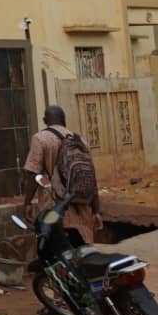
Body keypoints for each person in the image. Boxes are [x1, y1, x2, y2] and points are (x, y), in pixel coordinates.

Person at [22, 104, 101, 247]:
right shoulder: (80, 141)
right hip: (81, 207)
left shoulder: (40, 139)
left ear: (45, 120)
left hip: (55, 207)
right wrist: (96, 211)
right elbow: (91, 177)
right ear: (64, 120)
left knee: (56, 250)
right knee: (82, 250)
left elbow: (33, 173)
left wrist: (27, 203)